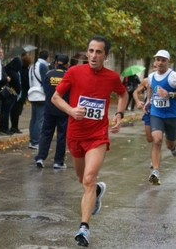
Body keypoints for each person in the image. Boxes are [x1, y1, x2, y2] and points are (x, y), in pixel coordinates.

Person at [51, 35, 127, 247]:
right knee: (81, 178)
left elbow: (123, 94)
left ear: (106, 55)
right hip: (75, 134)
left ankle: (84, 228)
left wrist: (119, 114)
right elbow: (55, 97)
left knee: (89, 179)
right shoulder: (74, 72)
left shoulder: (111, 77)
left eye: (98, 52)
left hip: (97, 134)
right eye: (91, 51)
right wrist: (71, 110)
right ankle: (97, 191)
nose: (93, 56)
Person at [144, 49, 176, 185]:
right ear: (155, 61)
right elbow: (151, 88)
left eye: (163, 60)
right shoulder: (151, 76)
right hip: (156, 113)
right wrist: (148, 101)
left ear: (167, 62)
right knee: (157, 140)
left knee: (169, 144)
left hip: (171, 115)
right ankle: (155, 172)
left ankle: (173, 147)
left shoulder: (173, 76)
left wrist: (170, 95)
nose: (160, 63)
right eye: (158, 60)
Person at [35, 53, 69, 169]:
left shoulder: (48, 74)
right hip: (63, 110)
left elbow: (45, 88)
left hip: (49, 108)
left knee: (46, 133)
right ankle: (58, 161)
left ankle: (40, 157)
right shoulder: (68, 75)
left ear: (55, 63)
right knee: (61, 135)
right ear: (67, 64)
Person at [133, 62, 156, 168]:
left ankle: (154, 160)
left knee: (156, 138)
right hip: (148, 110)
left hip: (160, 112)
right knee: (149, 138)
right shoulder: (147, 80)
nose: (156, 68)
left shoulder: (167, 80)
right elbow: (135, 92)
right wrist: (137, 101)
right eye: (154, 66)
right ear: (152, 68)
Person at [28, 50, 50, 150]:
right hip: (41, 95)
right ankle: (36, 141)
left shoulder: (33, 66)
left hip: (32, 93)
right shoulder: (43, 66)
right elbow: (46, 81)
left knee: (33, 118)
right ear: (47, 57)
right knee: (39, 119)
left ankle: (32, 140)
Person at [0, 57, 22, 135]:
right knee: (7, 111)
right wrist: (17, 92)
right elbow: (18, 87)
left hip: (3, 92)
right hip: (11, 93)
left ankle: (1, 127)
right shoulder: (15, 74)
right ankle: (5, 128)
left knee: (2, 111)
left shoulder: (5, 68)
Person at [10, 53, 31, 133]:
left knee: (13, 110)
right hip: (23, 93)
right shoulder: (27, 72)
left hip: (15, 92)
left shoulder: (18, 70)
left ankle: (13, 126)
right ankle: (15, 127)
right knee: (17, 111)